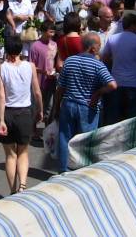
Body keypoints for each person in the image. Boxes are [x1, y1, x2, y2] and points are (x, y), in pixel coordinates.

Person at [52, 33, 117, 173]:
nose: (100, 48)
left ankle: (63, 171)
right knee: (87, 141)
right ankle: (84, 171)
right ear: (93, 48)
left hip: (68, 104)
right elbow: (112, 85)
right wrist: (97, 93)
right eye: (99, 45)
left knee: (65, 139)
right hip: (87, 107)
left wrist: (56, 108)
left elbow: (60, 88)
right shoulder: (98, 65)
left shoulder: (70, 61)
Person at [0, 36, 44, 194]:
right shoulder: (30, 66)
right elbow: (37, 92)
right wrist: (40, 110)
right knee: (23, 152)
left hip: (8, 112)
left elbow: (1, 96)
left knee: (10, 155)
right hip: (25, 112)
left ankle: (12, 190)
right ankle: (22, 185)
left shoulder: (1, 67)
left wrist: (1, 119)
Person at [102, 14, 136, 124]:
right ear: (132, 25)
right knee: (133, 119)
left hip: (116, 83)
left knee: (114, 117)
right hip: (134, 84)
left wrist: (114, 64)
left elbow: (105, 57)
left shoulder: (112, 38)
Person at [27, 21, 60, 128]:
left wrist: (55, 71)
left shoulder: (54, 45)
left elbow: (56, 62)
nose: (52, 34)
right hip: (38, 82)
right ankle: (34, 130)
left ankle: (47, 130)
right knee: (37, 107)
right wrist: (43, 71)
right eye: (50, 32)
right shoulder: (35, 46)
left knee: (50, 107)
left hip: (51, 81)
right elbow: (31, 66)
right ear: (43, 32)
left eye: (53, 32)